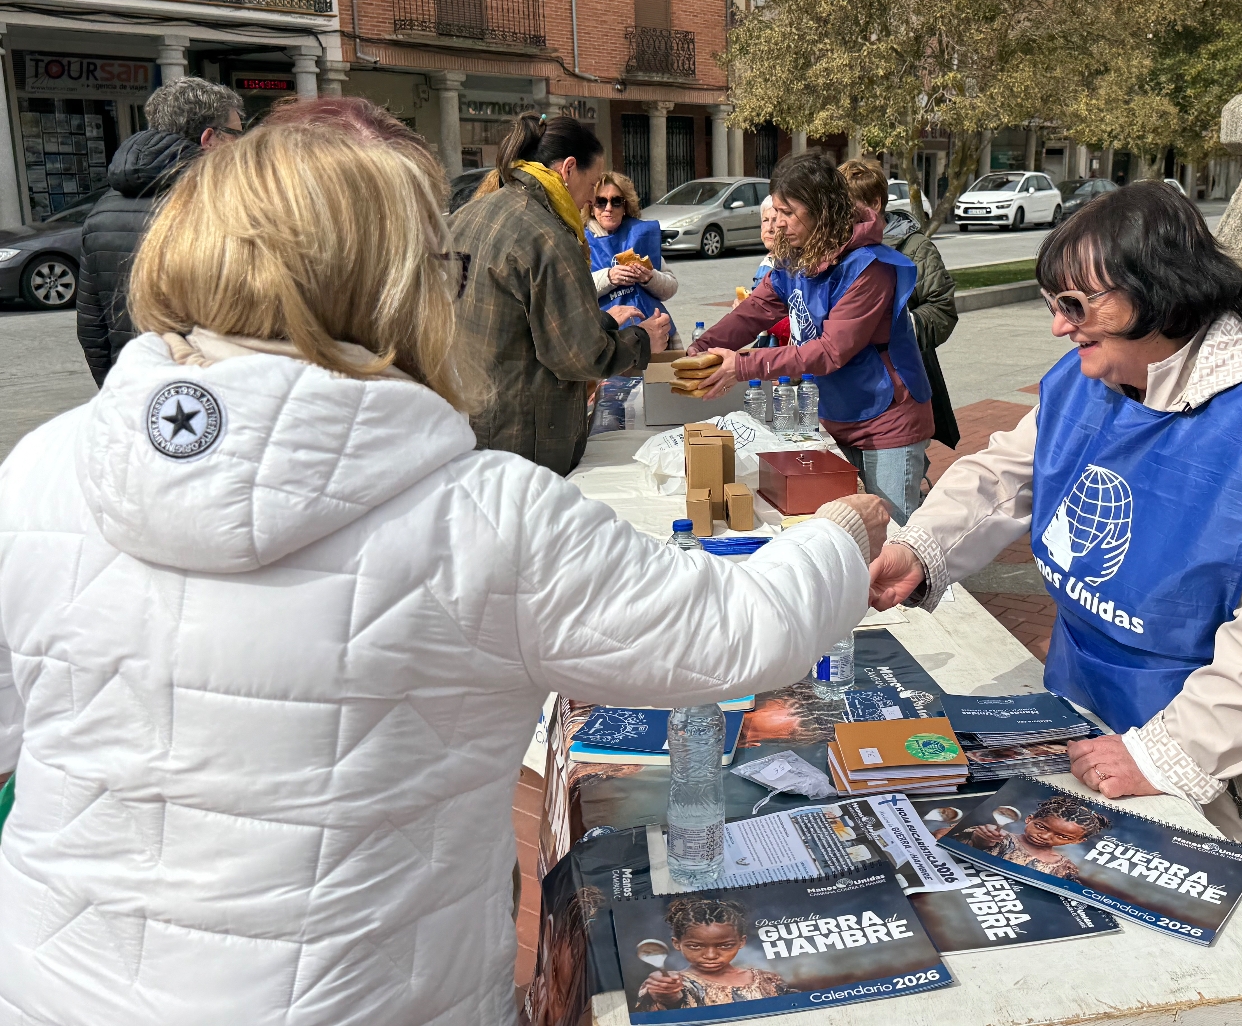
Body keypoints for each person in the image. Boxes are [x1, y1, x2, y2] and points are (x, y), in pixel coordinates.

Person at [0, 119, 891, 1023]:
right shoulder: (481, 515)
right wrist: (842, 534)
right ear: (396, 277)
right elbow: (732, 633)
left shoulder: (39, 468)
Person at [869, 182, 1242, 903]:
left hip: (1232, 743)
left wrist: (1167, 756)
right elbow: (1007, 476)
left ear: (1163, 297)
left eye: (1077, 306)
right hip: (1097, 696)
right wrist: (918, 549)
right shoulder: (1092, 381)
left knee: (1228, 913)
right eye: (1055, 304)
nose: (1058, 327)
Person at [689, 152, 934, 523]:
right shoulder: (800, 256)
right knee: (849, 528)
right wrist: (701, 348)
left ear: (820, 209)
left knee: (893, 532)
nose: (779, 223)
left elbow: (831, 351)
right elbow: (755, 310)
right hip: (837, 411)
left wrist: (742, 365)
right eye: (775, 211)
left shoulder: (869, 267)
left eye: (788, 212)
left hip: (888, 417)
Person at [451, 112, 671, 475]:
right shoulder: (547, 234)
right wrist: (642, 341)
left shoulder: (472, 212)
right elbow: (578, 357)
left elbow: (520, 318)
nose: (590, 200)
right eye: (592, 184)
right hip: (525, 437)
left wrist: (598, 320)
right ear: (568, 169)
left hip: (474, 419)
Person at [76, 76, 243, 386]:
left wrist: (114, 392)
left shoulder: (102, 209)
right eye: (236, 135)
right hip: (208, 392)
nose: (240, 146)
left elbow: (92, 327)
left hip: (134, 387)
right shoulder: (222, 203)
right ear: (210, 139)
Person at [840, 159, 960, 450]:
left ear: (875, 203)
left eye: (847, 206)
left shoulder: (914, 247)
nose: (839, 216)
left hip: (898, 394)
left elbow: (942, 309)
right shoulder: (837, 249)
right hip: (846, 395)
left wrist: (897, 328)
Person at [634, 896, 793, 1011]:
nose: (710, 955)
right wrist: (667, 996)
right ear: (677, 943)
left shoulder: (768, 979)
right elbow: (670, 1004)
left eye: (725, 945)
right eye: (695, 946)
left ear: (741, 942)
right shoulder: (674, 982)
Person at [587, 170, 680, 344]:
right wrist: (609, 277)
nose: (608, 208)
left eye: (616, 202)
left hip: (655, 333)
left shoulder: (639, 236)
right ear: (591, 206)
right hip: (609, 338)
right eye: (601, 201)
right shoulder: (579, 241)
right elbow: (574, 291)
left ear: (625, 207)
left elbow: (671, 287)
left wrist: (649, 277)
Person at [955, 793, 1110, 879]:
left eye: (1062, 836)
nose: (1045, 836)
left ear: (1078, 841)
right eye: (1041, 826)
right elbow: (959, 848)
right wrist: (978, 840)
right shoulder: (999, 837)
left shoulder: (1064, 867)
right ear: (1029, 819)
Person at [748, 197, 789, 346]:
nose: (769, 228)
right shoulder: (768, 260)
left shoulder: (787, 264)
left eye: (775, 220)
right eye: (765, 220)